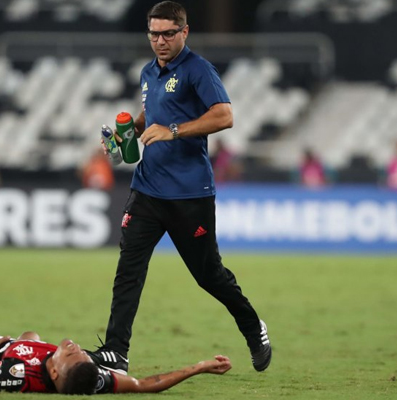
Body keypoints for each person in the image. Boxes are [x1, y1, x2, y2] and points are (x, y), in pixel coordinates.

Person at [96, 1, 271, 375]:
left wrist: (173, 130)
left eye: (168, 33)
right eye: (154, 34)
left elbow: (225, 115)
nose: (160, 41)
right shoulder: (148, 72)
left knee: (209, 275)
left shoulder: (198, 70)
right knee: (129, 270)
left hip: (190, 194)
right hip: (147, 190)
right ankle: (116, 352)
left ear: (184, 32)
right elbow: (150, 117)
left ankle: (253, 327)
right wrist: (126, 135)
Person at [0, 273, 232, 394]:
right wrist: (198, 367)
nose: (73, 346)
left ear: (53, 372)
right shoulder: (89, 378)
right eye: (81, 352)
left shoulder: (15, 374)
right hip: (1, 344)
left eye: (69, 353)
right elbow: (144, 384)